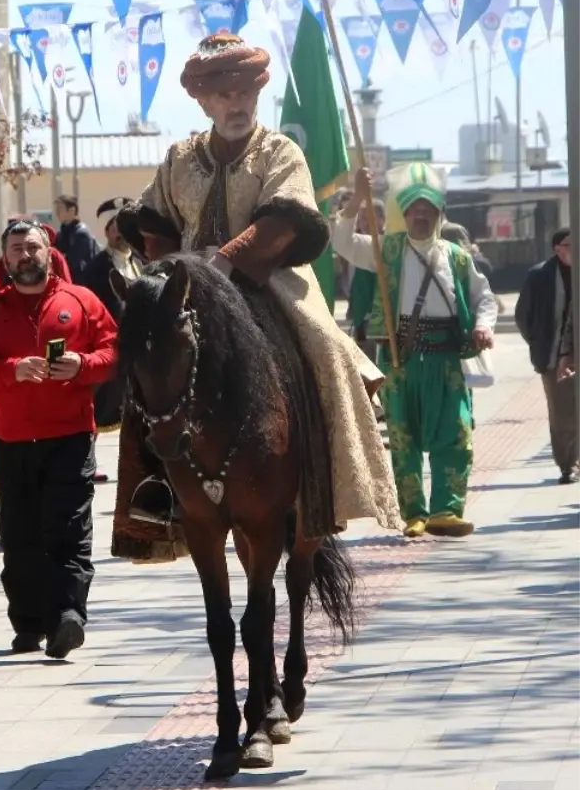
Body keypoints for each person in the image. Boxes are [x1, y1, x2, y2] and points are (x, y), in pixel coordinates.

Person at [111, 34, 400, 563]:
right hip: (191, 292)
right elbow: (154, 224)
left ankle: (330, 480)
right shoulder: (178, 158)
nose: (236, 104)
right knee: (149, 370)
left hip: (271, 284)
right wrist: (165, 273)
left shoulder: (280, 151)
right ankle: (151, 496)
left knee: (328, 352)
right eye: (224, 96)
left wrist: (225, 262)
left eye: (245, 93)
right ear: (203, 101)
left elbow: (285, 219)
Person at [0, 221, 118, 658]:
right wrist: (9, 370)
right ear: (6, 259)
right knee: (20, 534)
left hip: (70, 437)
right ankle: (27, 623)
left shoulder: (80, 301)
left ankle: (68, 617)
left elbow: (114, 351)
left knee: (69, 528)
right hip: (12, 441)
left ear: (50, 253)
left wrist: (83, 365)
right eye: (16, 249)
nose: (25, 255)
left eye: (33, 247)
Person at [334, 164, 498, 538]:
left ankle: (447, 510)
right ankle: (414, 513)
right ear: (404, 214)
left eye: (428, 210)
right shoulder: (384, 248)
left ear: (439, 216)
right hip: (399, 360)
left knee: (455, 433)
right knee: (403, 438)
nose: (421, 215)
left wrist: (483, 326)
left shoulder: (456, 256)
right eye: (414, 210)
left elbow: (483, 296)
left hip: (445, 361)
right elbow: (341, 241)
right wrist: (358, 197)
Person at [516, 228, 576, 483]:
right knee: (562, 413)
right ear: (557, 248)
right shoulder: (540, 275)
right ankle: (567, 465)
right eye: (569, 244)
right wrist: (537, 342)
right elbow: (523, 315)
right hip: (552, 356)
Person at [80, 197, 143, 435]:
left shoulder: (139, 263)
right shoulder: (96, 268)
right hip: (108, 351)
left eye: (125, 227)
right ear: (107, 231)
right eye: (115, 227)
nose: (121, 234)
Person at [344, 200, 387, 361]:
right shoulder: (357, 246)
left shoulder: (387, 248)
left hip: (376, 321)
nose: (365, 223)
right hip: (359, 318)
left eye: (370, 218)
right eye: (362, 219)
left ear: (382, 219)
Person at [52, 196, 100, 280]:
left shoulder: (81, 233)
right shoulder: (62, 233)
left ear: (72, 210)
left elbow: (73, 263)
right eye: (56, 209)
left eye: (60, 209)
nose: (57, 213)